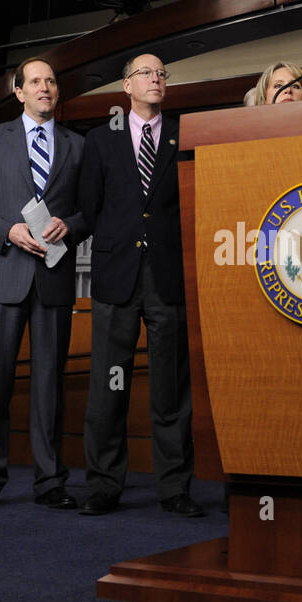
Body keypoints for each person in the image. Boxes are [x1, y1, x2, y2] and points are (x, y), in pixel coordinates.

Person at [75, 53, 203, 517]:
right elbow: (90, 209)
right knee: (108, 390)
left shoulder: (184, 135)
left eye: (162, 73)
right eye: (147, 73)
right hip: (116, 278)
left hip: (169, 277)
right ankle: (105, 486)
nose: (156, 78)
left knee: (171, 390)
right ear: (126, 86)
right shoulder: (100, 140)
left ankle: (175, 489)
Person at [0, 56, 84, 511]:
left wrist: (71, 224)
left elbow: (90, 210)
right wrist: (7, 230)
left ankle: (50, 481)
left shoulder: (77, 145)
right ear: (19, 91)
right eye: (35, 81)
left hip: (54, 281)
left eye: (51, 80)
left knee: (50, 384)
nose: (45, 87)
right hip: (2, 276)